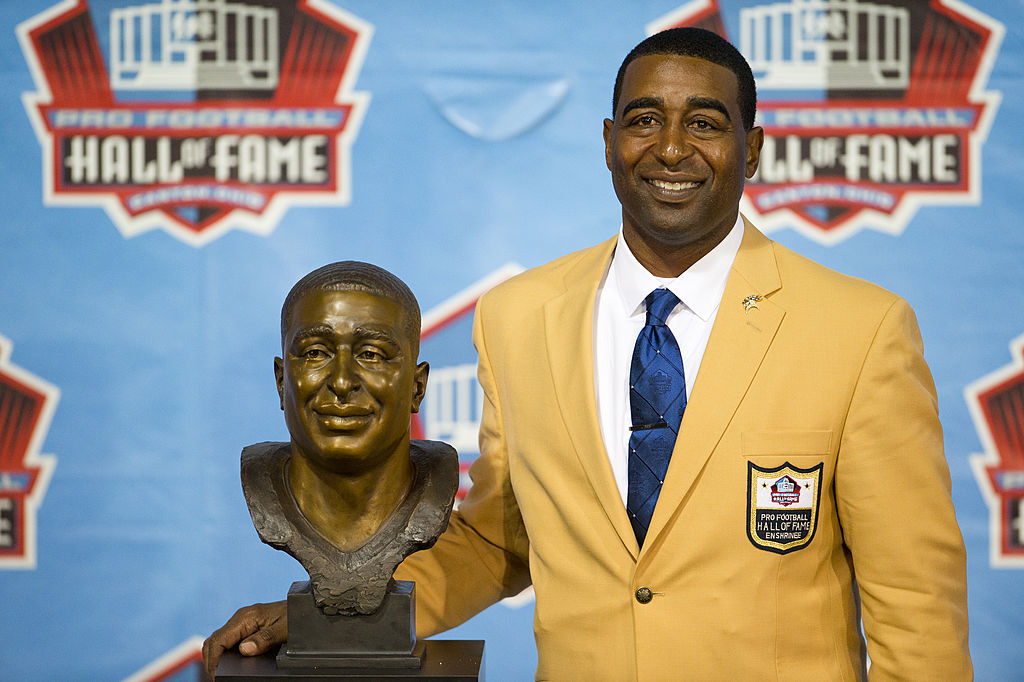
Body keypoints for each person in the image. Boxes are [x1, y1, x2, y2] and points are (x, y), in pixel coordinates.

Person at [205, 28, 971, 680]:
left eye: (705, 123)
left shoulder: (860, 328)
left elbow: (917, 605)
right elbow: (500, 537)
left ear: (754, 148)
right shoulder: (517, 316)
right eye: (645, 120)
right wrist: (326, 621)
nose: (671, 148)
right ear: (610, 142)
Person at [204, 261, 458, 666]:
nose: (342, 381)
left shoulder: (433, 493)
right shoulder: (263, 487)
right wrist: (315, 617)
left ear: (417, 386)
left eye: (372, 354)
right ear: (281, 381)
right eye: (316, 353)